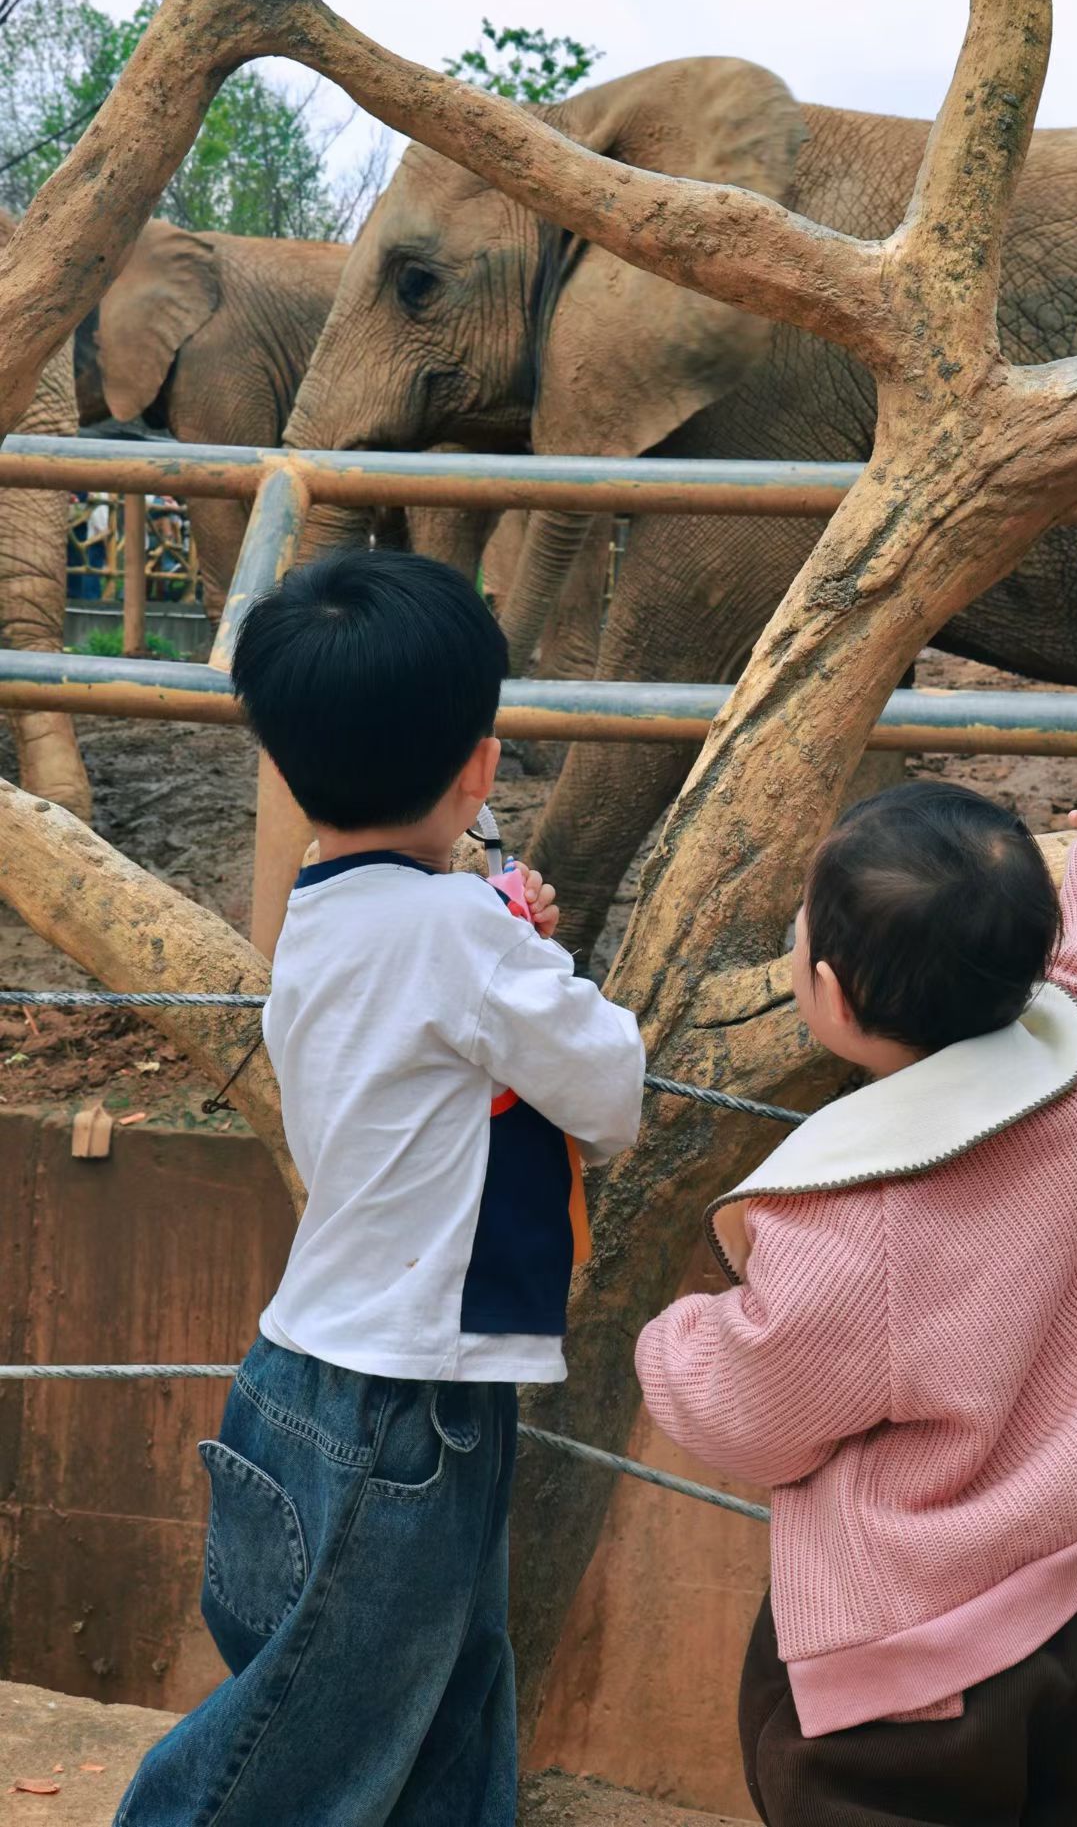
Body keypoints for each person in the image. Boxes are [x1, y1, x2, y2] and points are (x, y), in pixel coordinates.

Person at [118, 549, 646, 1827]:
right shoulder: (460, 932)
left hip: (307, 1383)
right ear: (479, 763)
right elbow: (612, 1091)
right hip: (401, 1418)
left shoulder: (328, 911)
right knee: (289, 1771)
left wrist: (500, 930)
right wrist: (529, 948)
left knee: (438, 1740)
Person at [637, 759, 1077, 1827]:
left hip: (918, 1663)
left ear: (831, 996)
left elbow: (757, 1413)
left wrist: (677, 1340)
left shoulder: (850, 1215)